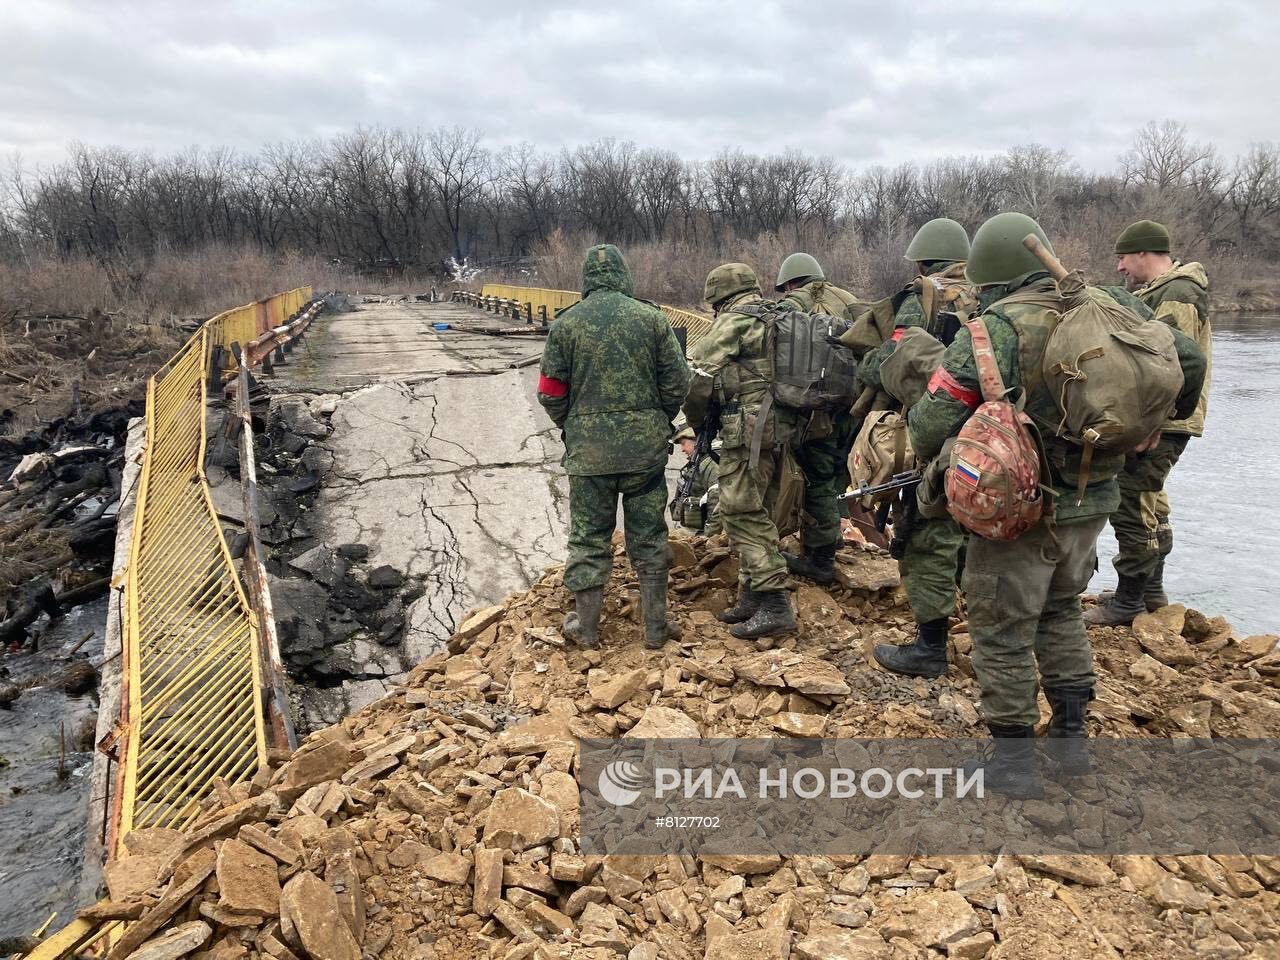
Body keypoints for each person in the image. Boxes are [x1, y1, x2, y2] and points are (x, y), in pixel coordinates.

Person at [908, 212, 1206, 796]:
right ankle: (1071, 744)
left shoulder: (994, 328)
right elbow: (1188, 361)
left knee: (1001, 628)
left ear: (992, 274)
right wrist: (1156, 426)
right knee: (1061, 609)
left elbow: (930, 424)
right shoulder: (1109, 305)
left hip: (1017, 510)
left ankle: (1014, 764)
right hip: (1093, 499)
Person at [537, 244, 690, 650]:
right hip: (645, 454)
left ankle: (586, 630)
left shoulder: (566, 325)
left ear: (585, 278)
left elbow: (551, 392)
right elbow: (678, 381)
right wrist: (658, 420)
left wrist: (573, 427)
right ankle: (656, 628)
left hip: (590, 457)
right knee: (649, 536)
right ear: (625, 275)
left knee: (588, 539)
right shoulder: (651, 319)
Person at [1085, 219, 1213, 625]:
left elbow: (1173, 363)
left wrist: (1154, 422)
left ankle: (1128, 601)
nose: (1120, 268)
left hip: (1165, 421)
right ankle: (1151, 591)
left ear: (1143, 253)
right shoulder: (1164, 291)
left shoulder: (1177, 293)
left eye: (1123, 258)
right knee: (1152, 500)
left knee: (1131, 498)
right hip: (1167, 418)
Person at [864, 219, 974, 677]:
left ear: (924, 259)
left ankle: (930, 648)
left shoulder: (922, 297)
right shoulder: (993, 292)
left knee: (926, 533)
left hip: (939, 425)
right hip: (999, 439)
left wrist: (868, 368)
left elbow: (894, 359)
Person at [683, 263, 799, 642]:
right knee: (759, 508)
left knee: (740, 510)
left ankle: (775, 604)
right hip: (785, 427)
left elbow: (698, 376)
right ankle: (752, 597)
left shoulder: (734, 321)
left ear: (718, 296)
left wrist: (699, 423)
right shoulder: (782, 314)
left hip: (748, 431)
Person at [773, 253, 862, 585]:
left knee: (816, 480)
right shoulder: (850, 300)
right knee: (840, 473)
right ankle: (834, 534)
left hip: (817, 411)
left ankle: (820, 559)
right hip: (854, 408)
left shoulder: (796, 303)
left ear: (793, 283)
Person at [670, 426, 722, 537]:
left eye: (684, 443)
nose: (682, 449)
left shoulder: (710, 464)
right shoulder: (698, 464)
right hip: (696, 529)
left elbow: (718, 501)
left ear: (696, 441)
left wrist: (709, 537)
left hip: (705, 532)